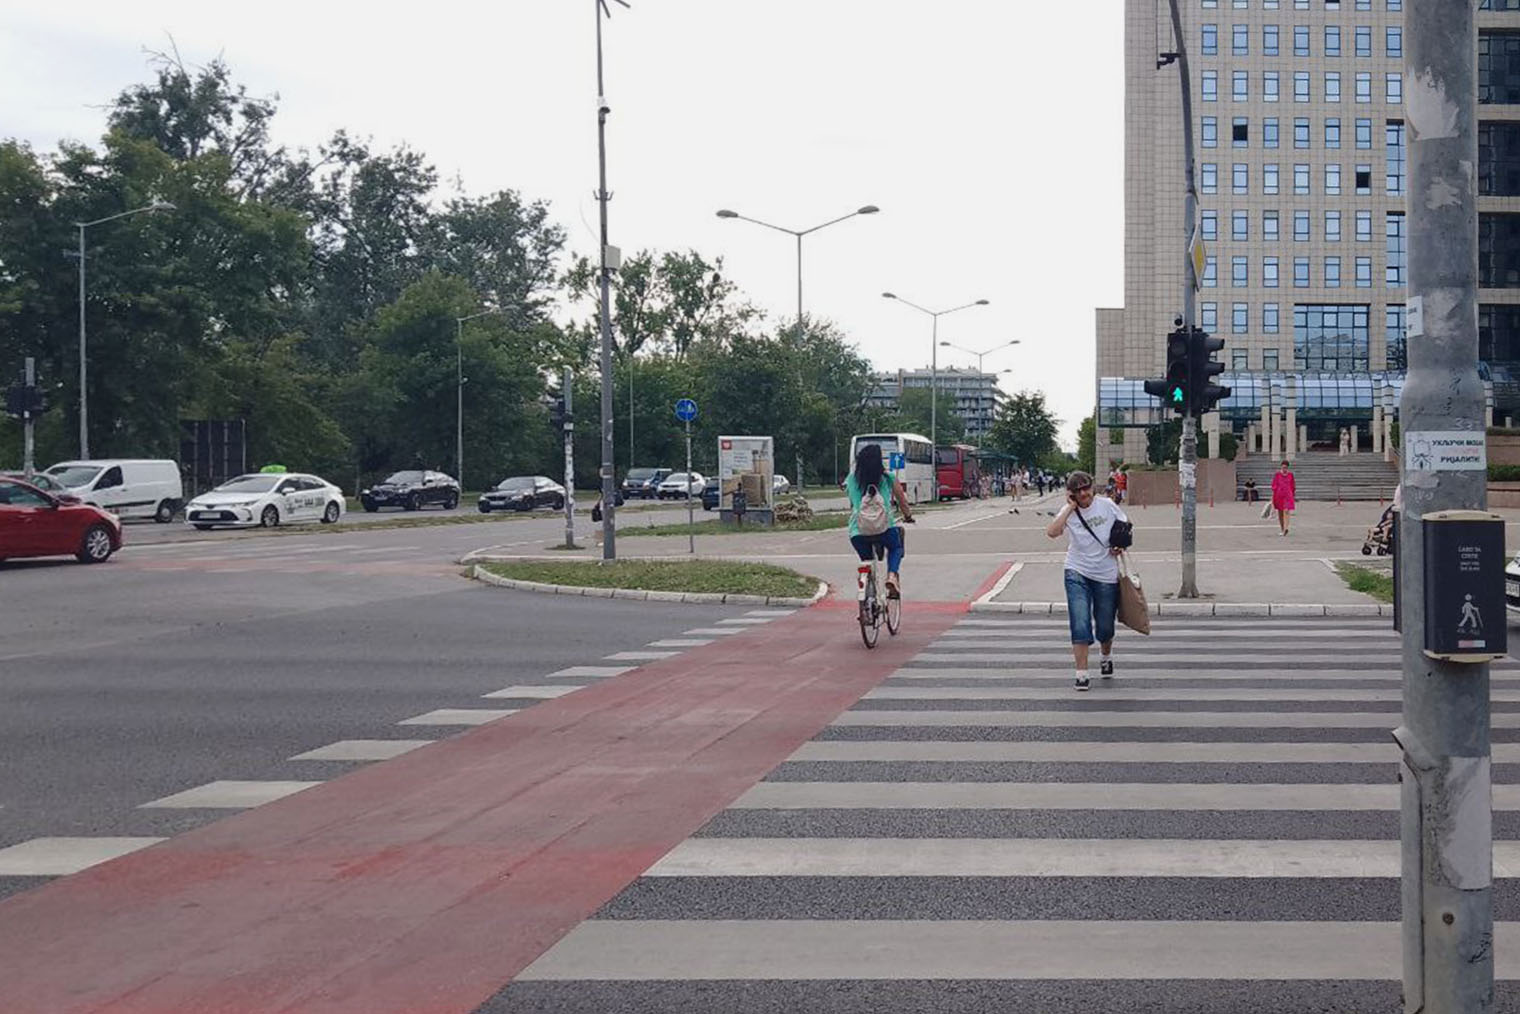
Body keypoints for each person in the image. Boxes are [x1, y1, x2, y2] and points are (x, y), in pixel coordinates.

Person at [1046, 471, 1127, 692]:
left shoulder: (1106, 505)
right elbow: (1052, 532)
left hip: (1105, 572)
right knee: (1079, 619)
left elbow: (1125, 525)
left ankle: (1106, 655)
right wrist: (1070, 508)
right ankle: (1081, 673)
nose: (1084, 494)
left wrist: (1120, 543)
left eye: (1086, 488)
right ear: (1071, 493)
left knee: (1105, 625)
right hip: (1076, 570)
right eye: (1078, 490)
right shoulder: (1069, 511)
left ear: (1092, 487)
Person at [845, 443, 913, 598]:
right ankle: (892, 576)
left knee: (866, 561)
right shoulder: (888, 477)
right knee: (896, 547)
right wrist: (908, 516)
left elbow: (852, 501)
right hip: (884, 528)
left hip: (858, 531)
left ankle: (866, 603)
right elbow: (902, 500)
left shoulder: (851, 479)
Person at [1271, 459, 1296, 536]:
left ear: (1288, 467)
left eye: (1285, 467)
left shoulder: (1290, 475)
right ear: (1281, 467)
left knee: (1286, 511)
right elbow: (1274, 485)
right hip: (1279, 496)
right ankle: (1282, 529)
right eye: (1283, 467)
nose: (1284, 469)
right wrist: (1273, 496)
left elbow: (1293, 485)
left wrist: (1293, 494)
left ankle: (1286, 528)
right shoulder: (1277, 474)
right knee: (1280, 513)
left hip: (1288, 496)